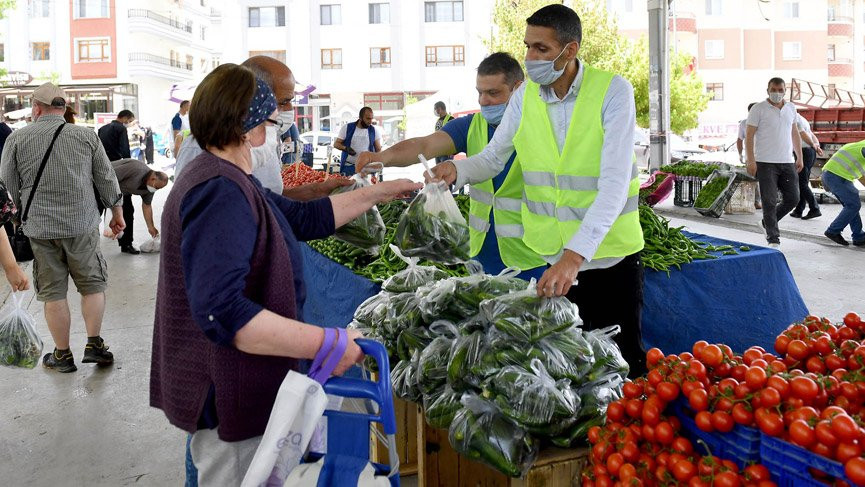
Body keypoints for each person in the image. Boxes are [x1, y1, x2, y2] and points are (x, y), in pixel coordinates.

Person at [149, 63, 421, 484]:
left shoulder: (230, 176)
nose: (276, 132)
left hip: (245, 386)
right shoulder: (219, 190)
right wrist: (326, 341)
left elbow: (302, 218)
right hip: (231, 393)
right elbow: (223, 311)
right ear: (251, 128)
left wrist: (380, 191)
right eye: (273, 121)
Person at [429, 5, 646, 377]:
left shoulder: (613, 92)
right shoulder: (525, 96)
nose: (530, 59)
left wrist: (573, 259)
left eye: (541, 49)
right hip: (552, 259)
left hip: (608, 260)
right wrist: (456, 169)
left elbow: (612, 188)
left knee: (619, 370)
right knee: (566, 372)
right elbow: (494, 158)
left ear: (570, 50)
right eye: (527, 47)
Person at [357, 52, 546, 281]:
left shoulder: (543, 129)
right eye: (480, 92)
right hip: (480, 258)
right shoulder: (472, 126)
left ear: (518, 89)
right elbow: (424, 145)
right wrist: (382, 157)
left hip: (532, 260)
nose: (483, 101)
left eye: (493, 93)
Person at [0, 82, 125, 373]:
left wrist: (19, 221)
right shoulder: (85, 136)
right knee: (92, 285)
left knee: (53, 293)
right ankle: (94, 345)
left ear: (36, 108)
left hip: (40, 230)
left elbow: (9, 187)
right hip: (81, 224)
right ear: (64, 107)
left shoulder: (17, 139)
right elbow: (105, 177)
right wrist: (117, 211)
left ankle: (62, 354)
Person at [174, 56, 351, 199]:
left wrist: (317, 192)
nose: (290, 109)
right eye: (284, 102)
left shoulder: (265, 143)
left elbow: (270, 200)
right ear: (255, 98)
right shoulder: (199, 149)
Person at [744, 78, 803, 248]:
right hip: (765, 162)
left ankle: (766, 223)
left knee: (793, 198)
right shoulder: (758, 109)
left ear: (785, 90)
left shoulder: (791, 108)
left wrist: (799, 156)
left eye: (780, 89)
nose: (777, 93)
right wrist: (750, 160)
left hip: (787, 161)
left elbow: (795, 133)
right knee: (769, 201)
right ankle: (773, 238)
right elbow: (748, 136)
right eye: (773, 89)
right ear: (767, 90)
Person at [111, 158, 169, 254]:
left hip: (122, 193)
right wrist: (111, 204)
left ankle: (126, 244)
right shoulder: (135, 169)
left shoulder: (150, 188)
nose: (156, 190)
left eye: (159, 188)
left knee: (128, 212)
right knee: (96, 211)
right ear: (153, 179)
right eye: (157, 187)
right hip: (104, 184)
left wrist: (151, 227)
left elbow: (147, 206)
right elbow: (109, 176)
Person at [820, 140, 865, 246]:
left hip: (834, 176)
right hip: (837, 177)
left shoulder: (858, 144)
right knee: (853, 205)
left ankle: (859, 237)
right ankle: (833, 230)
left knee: (851, 206)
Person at [789, 113, 824, 220]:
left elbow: (803, 133)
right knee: (803, 182)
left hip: (803, 151)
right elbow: (811, 134)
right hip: (809, 151)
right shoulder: (802, 118)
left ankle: (814, 209)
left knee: (801, 183)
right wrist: (816, 145)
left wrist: (813, 145)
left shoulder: (793, 118)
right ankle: (799, 210)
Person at [334, 107, 381, 176]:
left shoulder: (374, 131)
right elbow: (336, 144)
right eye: (368, 118)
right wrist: (346, 149)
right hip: (349, 167)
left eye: (371, 118)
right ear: (360, 118)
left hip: (366, 168)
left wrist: (377, 163)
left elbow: (378, 149)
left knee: (367, 187)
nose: (370, 121)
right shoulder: (347, 128)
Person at [736, 103, 761, 210]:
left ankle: (759, 201)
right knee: (752, 178)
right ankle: (755, 201)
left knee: (762, 179)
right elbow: (739, 140)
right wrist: (740, 154)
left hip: (764, 155)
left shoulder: (764, 122)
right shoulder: (744, 123)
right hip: (750, 156)